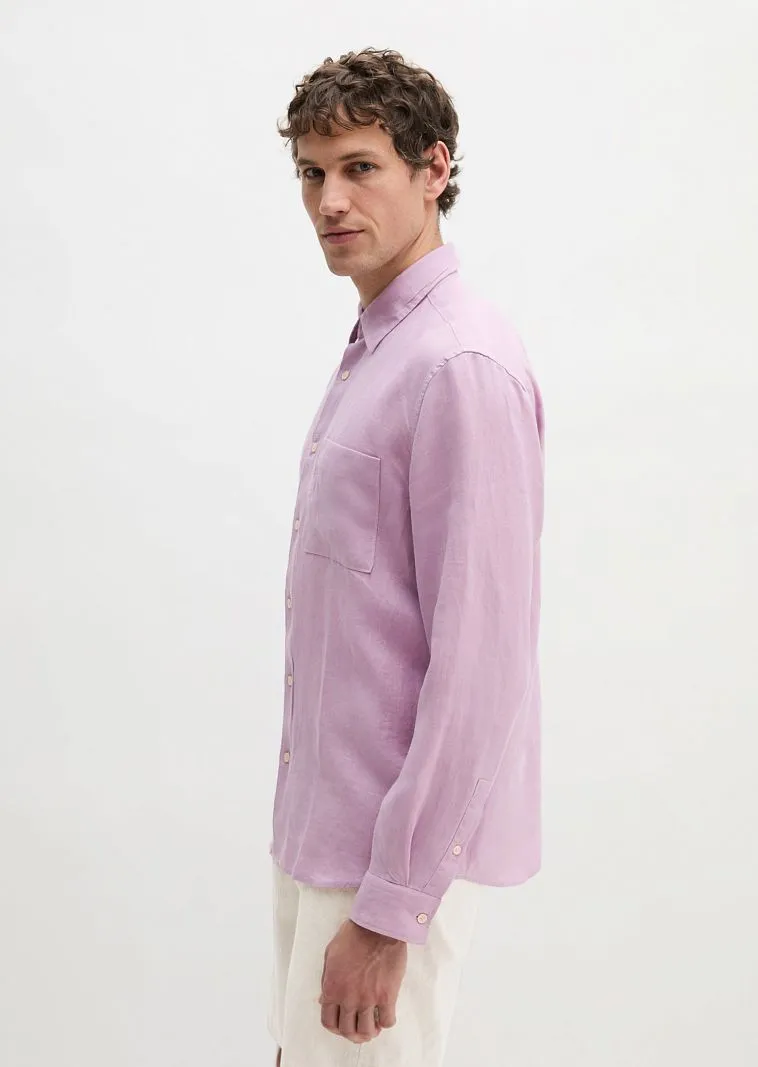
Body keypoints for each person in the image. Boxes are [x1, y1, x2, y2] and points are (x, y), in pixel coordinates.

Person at [267, 47, 545, 1067]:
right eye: (311, 173)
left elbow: (481, 668)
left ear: (434, 169)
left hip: (385, 869)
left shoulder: (457, 364)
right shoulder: (381, 348)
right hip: (323, 840)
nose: (329, 201)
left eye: (360, 167)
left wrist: (390, 910)